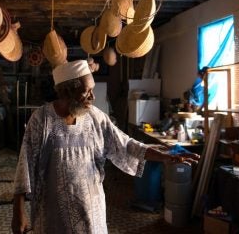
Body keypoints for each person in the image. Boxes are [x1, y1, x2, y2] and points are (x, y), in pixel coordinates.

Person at [12, 60, 200, 234]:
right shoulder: (42, 120)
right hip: (54, 213)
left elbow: (125, 144)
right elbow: (25, 164)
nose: (93, 96)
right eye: (87, 91)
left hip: (91, 211)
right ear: (67, 91)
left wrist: (164, 156)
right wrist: (18, 211)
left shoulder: (95, 117)